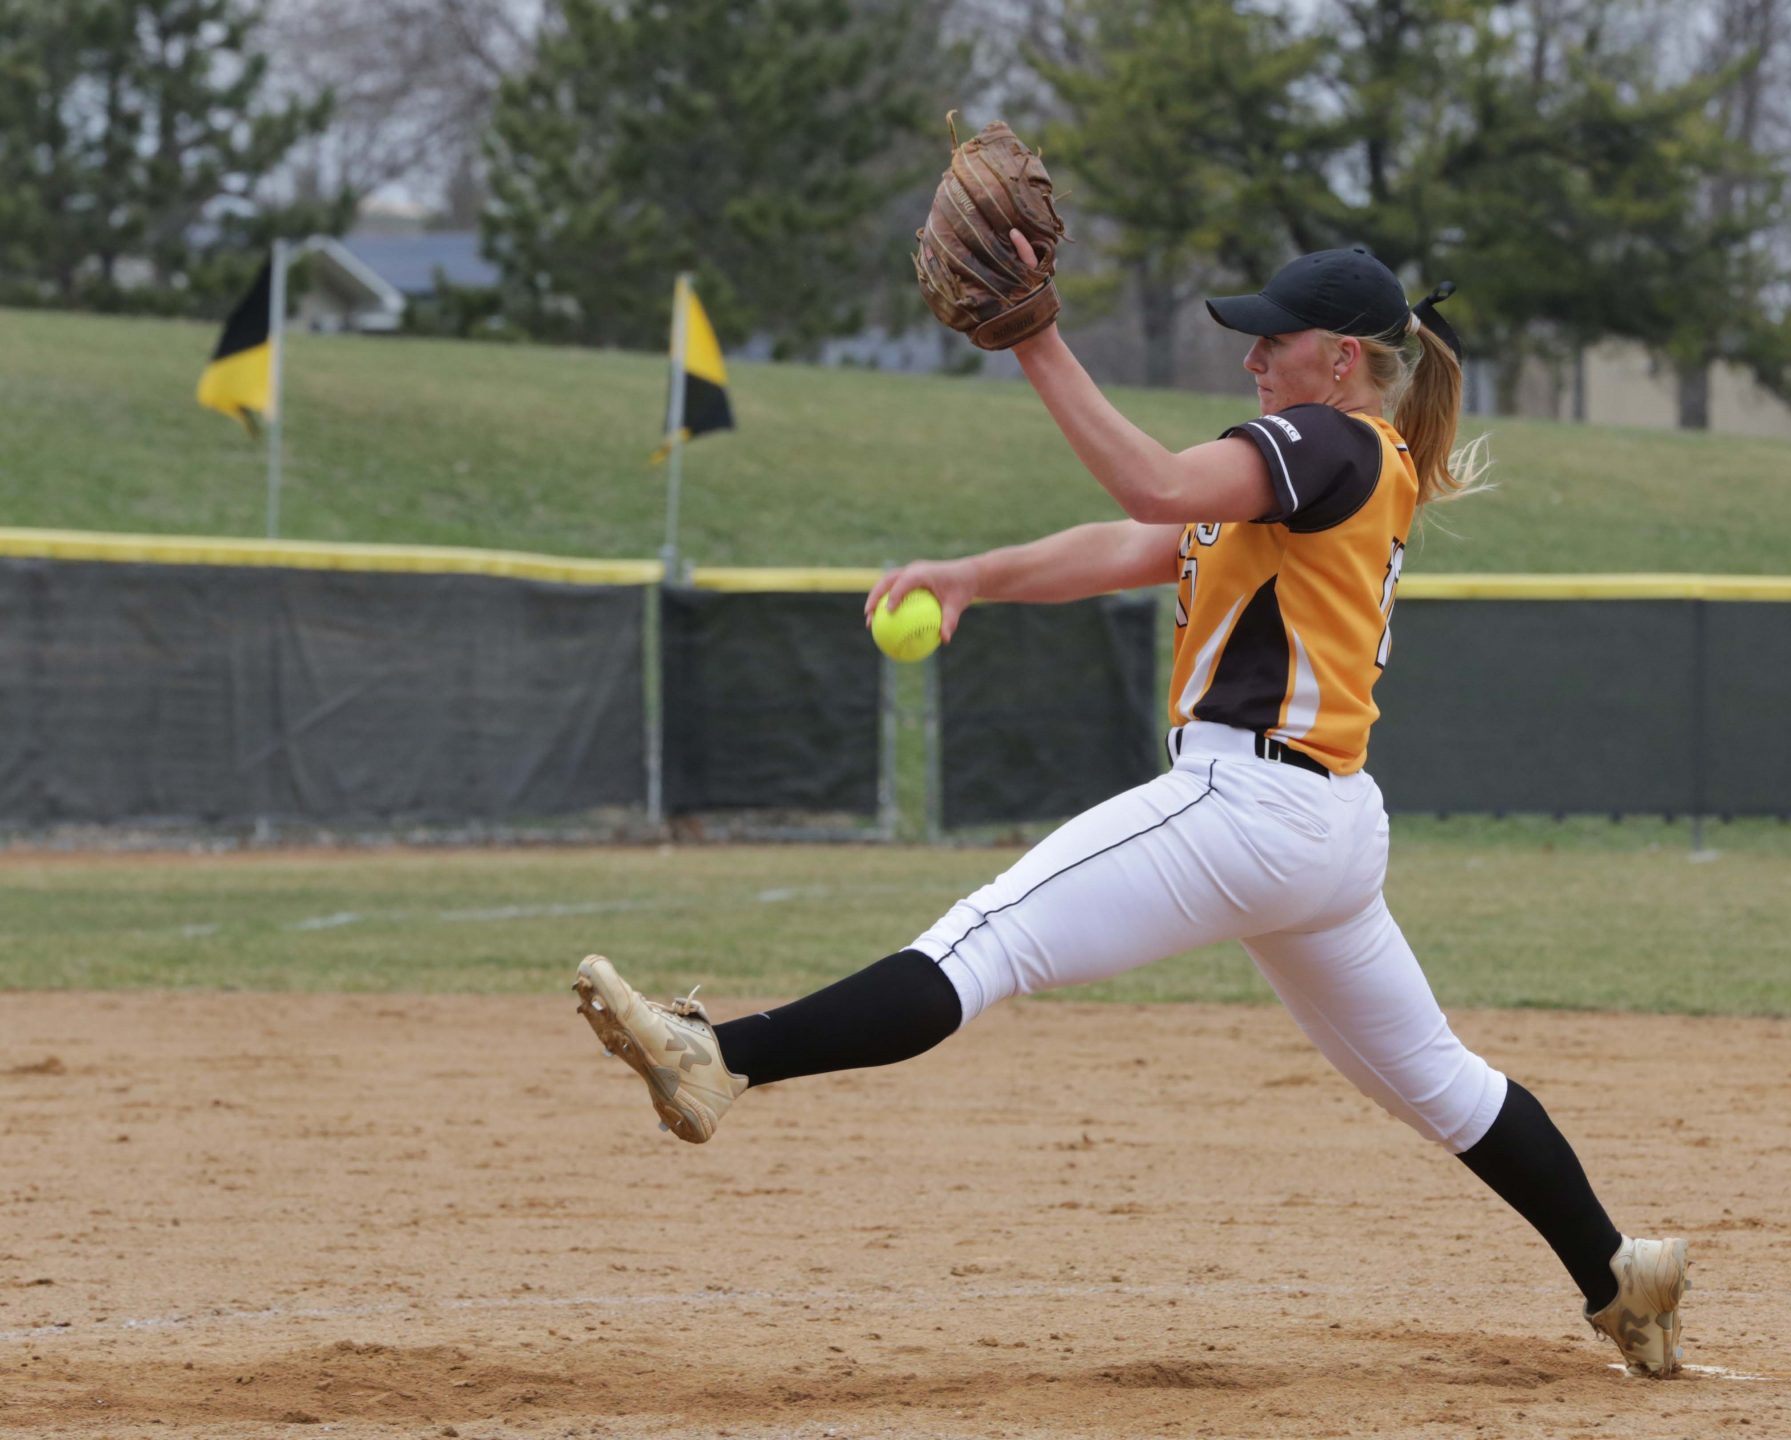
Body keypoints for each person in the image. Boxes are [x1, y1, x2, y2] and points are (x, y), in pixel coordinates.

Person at [572, 242, 1691, 1378]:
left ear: (1342, 358)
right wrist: (974, 574)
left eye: (1274, 339)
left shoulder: (1325, 439)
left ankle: (720, 1059)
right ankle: (1620, 1277)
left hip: (1247, 802)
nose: (1252, 357)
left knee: (987, 939)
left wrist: (1037, 341)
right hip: (1324, 825)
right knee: (1441, 1083)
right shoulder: (1327, 465)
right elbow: (1140, 540)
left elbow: (1150, 486)